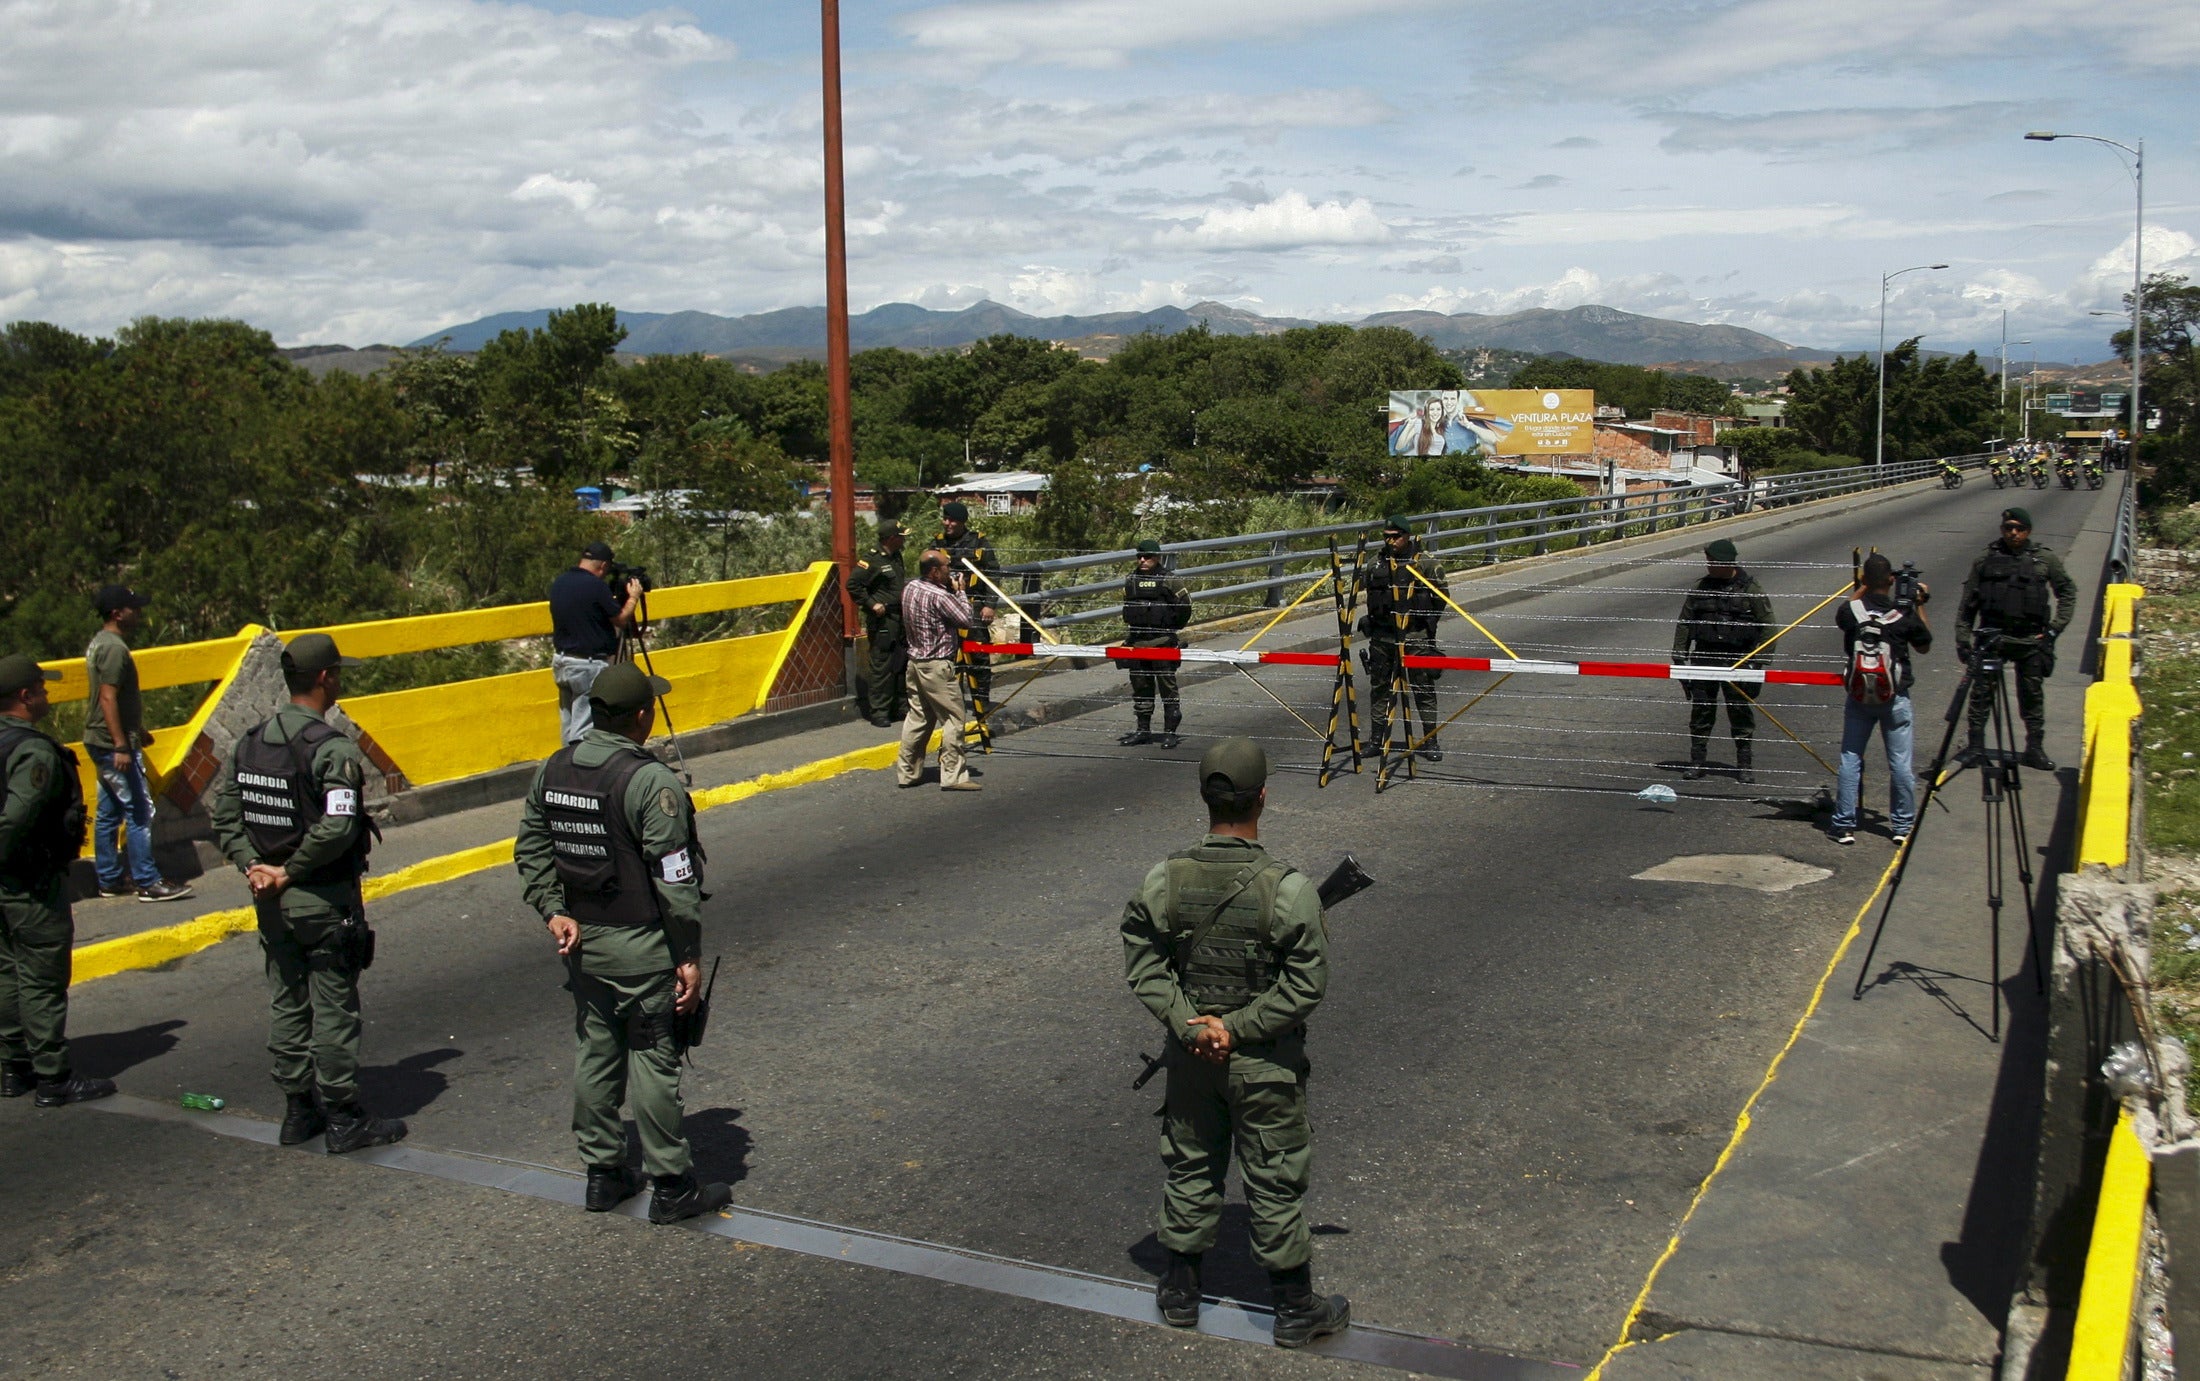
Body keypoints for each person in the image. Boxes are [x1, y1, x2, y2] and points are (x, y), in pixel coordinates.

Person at [1119, 737, 1350, 1349]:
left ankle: (1179, 1293)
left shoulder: (1164, 879)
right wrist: (1238, 1028)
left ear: (1205, 797)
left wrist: (1192, 1023)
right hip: (1264, 1062)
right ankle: (1295, 1308)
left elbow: (1143, 961)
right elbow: (1306, 986)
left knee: (1192, 1164)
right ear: (1263, 799)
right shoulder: (1289, 889)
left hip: (1192, 1058)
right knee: (1274, 1175)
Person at [514, 661, 732, 1224]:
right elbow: (676, 882)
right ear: (640, 716)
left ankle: (602, 1174)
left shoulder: (554, 768)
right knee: (654, 1058)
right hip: (641, 946)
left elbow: (531, 848)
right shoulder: (649, 781)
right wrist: (687, 957)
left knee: (595, 1052)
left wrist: (552, 910)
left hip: (584, 943)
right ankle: (671, 1185)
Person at [209, 634, 406, 1153]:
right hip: (319, 898)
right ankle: (343, 1116)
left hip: (271, 900)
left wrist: (253, 866)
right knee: (335, 1002)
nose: (339, 681)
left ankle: (298, 1110)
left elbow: (225, 815)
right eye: (338, 674)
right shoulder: (332, 748)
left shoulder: (250, 742)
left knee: (287, 999)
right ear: (324, 679)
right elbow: (339, 827)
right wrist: (289, 871)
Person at [0, 654, 111, 1106]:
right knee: (42, 974)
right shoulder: (33, 750)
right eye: (41, 690)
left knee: (6, 969)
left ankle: (14, 1066)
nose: (46, 696)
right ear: (25, 697)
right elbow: (17, 817)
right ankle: (53, 1075)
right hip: (29, 881)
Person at [82, 585, 191, 903]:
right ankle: (148, 881)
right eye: (134, 609)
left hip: (102, 739)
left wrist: (136, 730)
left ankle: (110, 879)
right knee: (140, 809)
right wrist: (120, 745)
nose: (139, 613)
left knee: (109, 810)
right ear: (117, 613)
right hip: (111, 744)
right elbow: (107, 696)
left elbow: (113, 697)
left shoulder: (99, 644)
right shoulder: (115, 649)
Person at [1955, 507, 2078, 770]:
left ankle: (2034, 748)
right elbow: (1968, 604)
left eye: (2019, 528)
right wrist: (1962, 639)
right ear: (2002, 529)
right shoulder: (1984, 560)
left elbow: (2067, 592)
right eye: (2008, 527)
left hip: (2030, 641)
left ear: (2028, 531)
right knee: (1981, 696)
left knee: (2032, 697)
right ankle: (1975, 747)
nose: (2013, 533)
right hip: (1992, 640)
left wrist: (2056, 628)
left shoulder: (2044, 560)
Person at [1829, 555, 1932, 846]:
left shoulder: (1851, 613)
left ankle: (1844, 824)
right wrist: (1919, 603)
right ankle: (1902, 825)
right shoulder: (1902, 615)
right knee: (1899, 763)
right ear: (1891, 581)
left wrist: (1862, 586)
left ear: (1864, 580)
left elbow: (1844, 609)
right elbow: (1924, 646)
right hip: (1895, 697)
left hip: (1859, 697)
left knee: (1850, 759)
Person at [1672, 539, 1775, 783]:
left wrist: (1758, 662)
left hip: (1738, 659)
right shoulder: (1700, 588)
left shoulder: (1751, 589)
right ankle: (1697, 761)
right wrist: (1679, 654)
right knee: (1701, 710)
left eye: (1712, 562)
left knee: (1739, 712)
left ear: (1724, 563)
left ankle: (1744, 764)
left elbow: (1768, 627)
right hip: (1705, 656)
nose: (1708, 566)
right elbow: (1685, 622)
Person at [1357, 516, 1447, 761]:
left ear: (1407, 536)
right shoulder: (1376, 564)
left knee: (1423, 689)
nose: (1391, 541)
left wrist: (1424, 625)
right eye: (1387, 536)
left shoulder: (1426, 564)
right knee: (1380, 689)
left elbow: (1441, 599)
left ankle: (1430, 741)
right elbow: (1371, 596)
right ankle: (1377, 739)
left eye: (1396, 536)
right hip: (1383, 638)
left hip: (1415, 638)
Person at [896, 550, 980, 791]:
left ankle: (907, 772)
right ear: (934, 571)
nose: (949, 571)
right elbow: (965, 619)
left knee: (918, 717)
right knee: (954, 718)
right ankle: (954, 775)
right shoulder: (939, 596)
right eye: (945, 567)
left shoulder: (911, 588)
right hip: (937, 666)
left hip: (915, 663)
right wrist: (961, 591)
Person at [550, 541, 643, 745]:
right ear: (602, 566)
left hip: (562, 661)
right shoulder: (595, 586)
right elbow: (620, 619)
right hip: (587, 665)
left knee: (568, 724)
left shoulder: (560, 582)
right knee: (584, 728)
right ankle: (581, 770)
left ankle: (566, 767)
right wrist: (633, 597)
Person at [934, 502, 1001, 731]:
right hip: (946, 608)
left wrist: (990, 605)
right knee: (947, 658)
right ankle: (951, 704)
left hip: (973, 607)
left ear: (962, 522)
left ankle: (982, 701)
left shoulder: (979, 542)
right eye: (945, 519)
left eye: (952, 520)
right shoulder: (938, 543)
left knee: (979, 657)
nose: (947, 523)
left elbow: (993, 574)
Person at [1119, 539, 1191, 748]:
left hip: (1162, 643)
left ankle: (1169, 732)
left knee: (1167, 687)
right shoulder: (1131, 580)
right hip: (1138, 642)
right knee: (1141, 687)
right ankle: (1143, 730)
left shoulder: (1170, 581)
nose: (1143, 560)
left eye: (1147, 556)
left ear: (1157, 557)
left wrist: (1170, 630)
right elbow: (1128, 606)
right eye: (1140, 556)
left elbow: (1184, 608)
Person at [848, 521, 909, 728]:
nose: (904, 539)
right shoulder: (872, 560)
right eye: (901, 536)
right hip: (883, 620)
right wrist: (872, 604)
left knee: (900, 663)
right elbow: (853, 584)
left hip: (898, 617)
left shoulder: (896, 557)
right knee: (882, 664)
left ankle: (900, 707)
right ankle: (879, 711)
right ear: (891, 538)